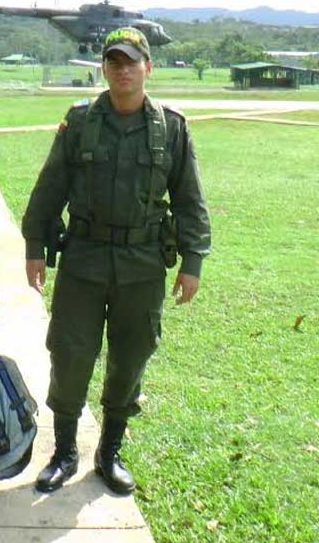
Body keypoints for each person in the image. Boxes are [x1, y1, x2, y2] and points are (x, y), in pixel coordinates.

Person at [21, 27, 211, 495]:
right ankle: (65, 452)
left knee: (130, 358)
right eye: (113, 61)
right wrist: (33, 247)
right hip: (84, 258)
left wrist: (194, 260)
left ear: (148, 66)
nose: (122, 69)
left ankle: (109, 452)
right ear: (103, 68)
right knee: (70, 354)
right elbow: (50, 189)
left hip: (143, 263)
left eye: (131, 61)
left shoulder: (171, 126)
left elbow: (190, 199)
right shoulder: (81, 121)